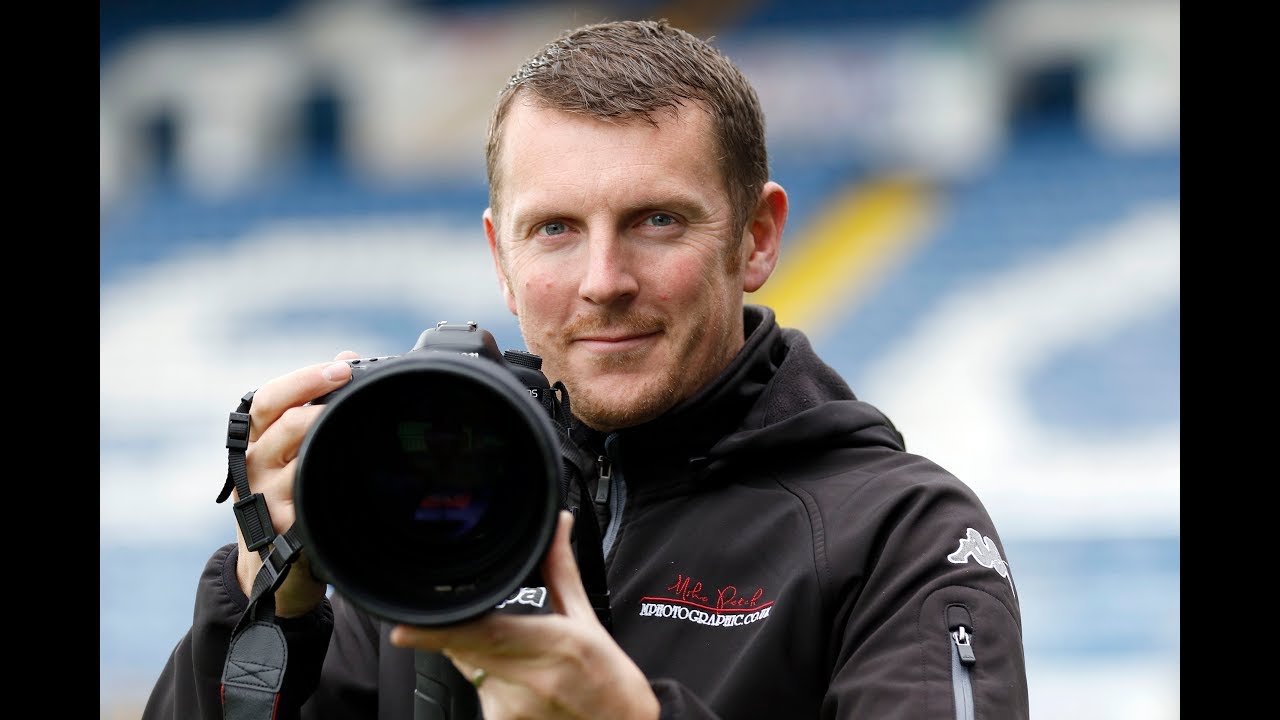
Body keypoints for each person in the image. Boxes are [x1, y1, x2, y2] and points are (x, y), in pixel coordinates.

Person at [143, 18, 1030, 720]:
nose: (603, 283)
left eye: (656, 222)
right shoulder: (417, 506)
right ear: (501, 254)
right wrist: (267, 611)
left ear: (757, 238)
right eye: (556, 229)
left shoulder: (900, 533)